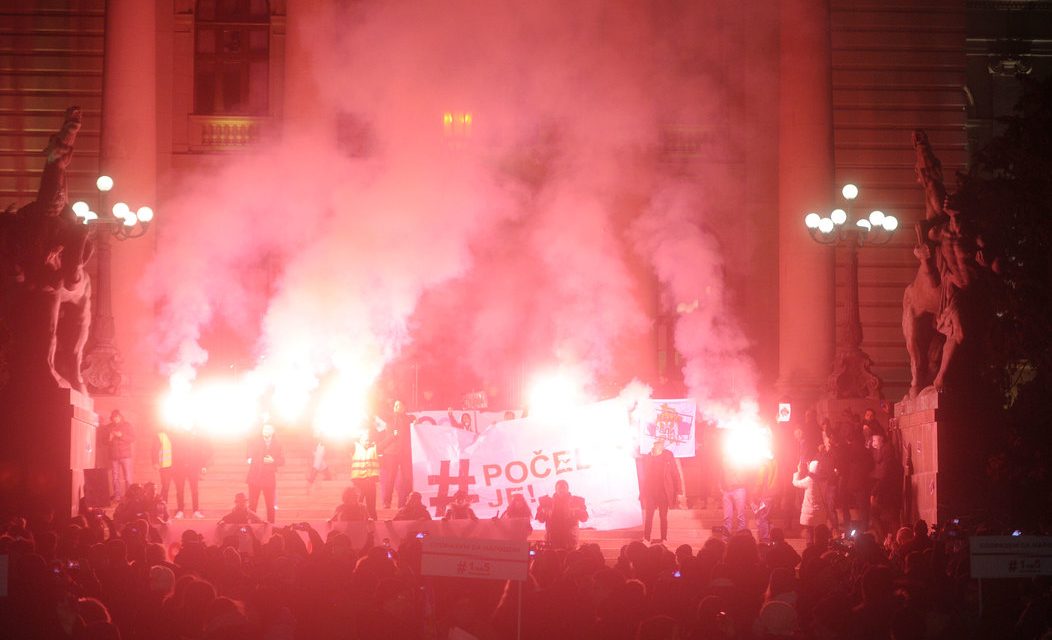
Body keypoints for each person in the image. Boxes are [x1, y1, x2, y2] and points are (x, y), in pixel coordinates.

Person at [640, 439, 680, 543]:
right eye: (656, 443)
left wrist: (679, 491)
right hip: (651, 491)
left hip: (664, 492)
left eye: (660, 443)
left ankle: (664, 538)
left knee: (663, 516)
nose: (658, 445)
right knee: (649, 516)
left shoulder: (668, 456)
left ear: (662, 446)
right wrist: (642, 492)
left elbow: (675, 473)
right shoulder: (649, 457)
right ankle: (646, 538)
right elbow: (644, 475)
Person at [377, 400, 413, 509]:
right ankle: (387, 502)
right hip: (391, 453)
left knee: (407, 478)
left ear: (404, 407)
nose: (397, 407)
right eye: (395, 405)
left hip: (405, 453)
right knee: (390, 478)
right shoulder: (389, 418)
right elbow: (379, 413)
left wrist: (415, 425)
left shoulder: (409, 419)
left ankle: (406, 501)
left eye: (399, 405)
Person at [247, 423, 284, 523]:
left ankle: (271, 527)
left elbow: (282, 460)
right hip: (255, 477)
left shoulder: (277, 444)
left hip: (269, 479)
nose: (266, 430)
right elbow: (249, 454)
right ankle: (252, 526)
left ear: (273, 431)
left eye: (268, 429)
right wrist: (252, 458)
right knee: (252, 505)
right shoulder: (255, 441)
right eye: (264, 428)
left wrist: (273, 461)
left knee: (270, 506)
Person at [536, 479, 588, 550]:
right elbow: (540, 519)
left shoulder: (576, 501)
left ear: (567, 489)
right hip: (553, 538)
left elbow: (584, 518)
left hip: (569, 539)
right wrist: (543, 511)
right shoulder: (547, 502)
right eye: (559, 488)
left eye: (564, 488)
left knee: (569, 559)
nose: (562, 490)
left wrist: (578, 511)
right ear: (556, 489)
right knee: (553, 560)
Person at [171, 427, 211, 519]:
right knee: (180, 490)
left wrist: (202, 466)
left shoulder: (197, 440)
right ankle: (180, 510)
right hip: (180, 468)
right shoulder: (178, 439)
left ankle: (195, 511)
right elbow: (174, 452)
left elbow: (201, 454)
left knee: (194, 490)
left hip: (193, 468)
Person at [104, 410, 134, 503]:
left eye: (117, 417)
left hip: (125, 456)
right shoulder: (108, 427)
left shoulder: (127, 425)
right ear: (111, 418)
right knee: (115, 477)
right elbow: (103, 441)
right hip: (114, 456)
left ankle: (130, 496)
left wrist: (121, 435)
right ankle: (117, 496)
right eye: (113, 417)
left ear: (120, 416)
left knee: (128, 477)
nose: (115, 419)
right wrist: (109, 438)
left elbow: (133, 438)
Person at [350, 432, 380, 520]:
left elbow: (385, 444)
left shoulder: (374, 448)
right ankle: (355, 521)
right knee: (356, 504)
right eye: (366, 440)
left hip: (370, 481)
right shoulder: (354, 447)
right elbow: (345, 442)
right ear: (360, 440)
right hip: (359, 482)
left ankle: (374, 524)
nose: (368, 442)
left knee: (371, 506)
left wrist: (393, 436)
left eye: (369, 440)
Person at [792, 459, 822, 544]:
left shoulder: (809, 480)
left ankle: (810, 553)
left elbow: (796, 482)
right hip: (821, 513)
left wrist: (798, 471)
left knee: (809, 533)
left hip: (810, 513)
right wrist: (810, 470)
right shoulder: (823, 480)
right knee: (818, 534)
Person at [719, 461, 749, 535]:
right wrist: (720, 486)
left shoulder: (740, 458)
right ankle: (725, 541)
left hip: (739, 488)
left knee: (740, 516)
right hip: (727, 490)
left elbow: (746, 475)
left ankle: (741, 539)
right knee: (727, 518)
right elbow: (721, 473)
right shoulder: (725, 459)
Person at [151, 426, 175, 506]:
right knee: (165, 486)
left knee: (167, 486)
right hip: (164, 465)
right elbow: (154, 450)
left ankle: (162, 504)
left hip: (175, 465)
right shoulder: (160, 436)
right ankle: (161, 504)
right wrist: (155, 462)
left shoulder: (175, 435)